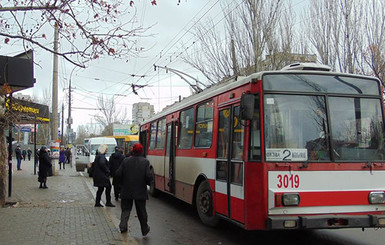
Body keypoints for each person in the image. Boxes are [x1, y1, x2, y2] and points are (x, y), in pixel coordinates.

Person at [115, 143, 153, 236]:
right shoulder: (145, 162)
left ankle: (123, 226)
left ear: (133, 151)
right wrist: (147, 183)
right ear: (141, 151)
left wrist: (121, 184)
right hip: (140, 190)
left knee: (126, 209)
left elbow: (118, 174)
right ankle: (144, 229)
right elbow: (148, 176)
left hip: (126, 190)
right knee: (141, 211)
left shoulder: (126, 161)